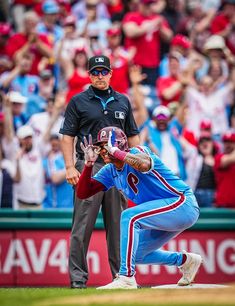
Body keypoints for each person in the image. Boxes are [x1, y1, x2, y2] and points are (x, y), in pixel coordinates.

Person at [76, 126, 202, 289]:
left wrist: (115, 151)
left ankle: (126, 278)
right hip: (165, 212)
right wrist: (88, 165)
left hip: (182, 203)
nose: (103, 150)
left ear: (118, 144)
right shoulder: (110, 170)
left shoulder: (138, 151)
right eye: (100, 146)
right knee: (137, 254)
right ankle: (185, 261)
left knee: (129, 216)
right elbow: (83, 193)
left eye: (106, 145)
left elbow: (143, 164)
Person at [59, 54, 139, 289]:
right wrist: (69, 166)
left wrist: (136, 164)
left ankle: (122, 277)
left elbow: (133, 136)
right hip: (90, 166)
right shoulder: (78, 101)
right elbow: (67, 136)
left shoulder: (123, 101)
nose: (100, 76)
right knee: (81, 226)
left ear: (111, 73)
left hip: (118, 167)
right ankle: (78, 280)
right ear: (89, 75)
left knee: (119, 226)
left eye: (104, 71)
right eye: (95, 72)